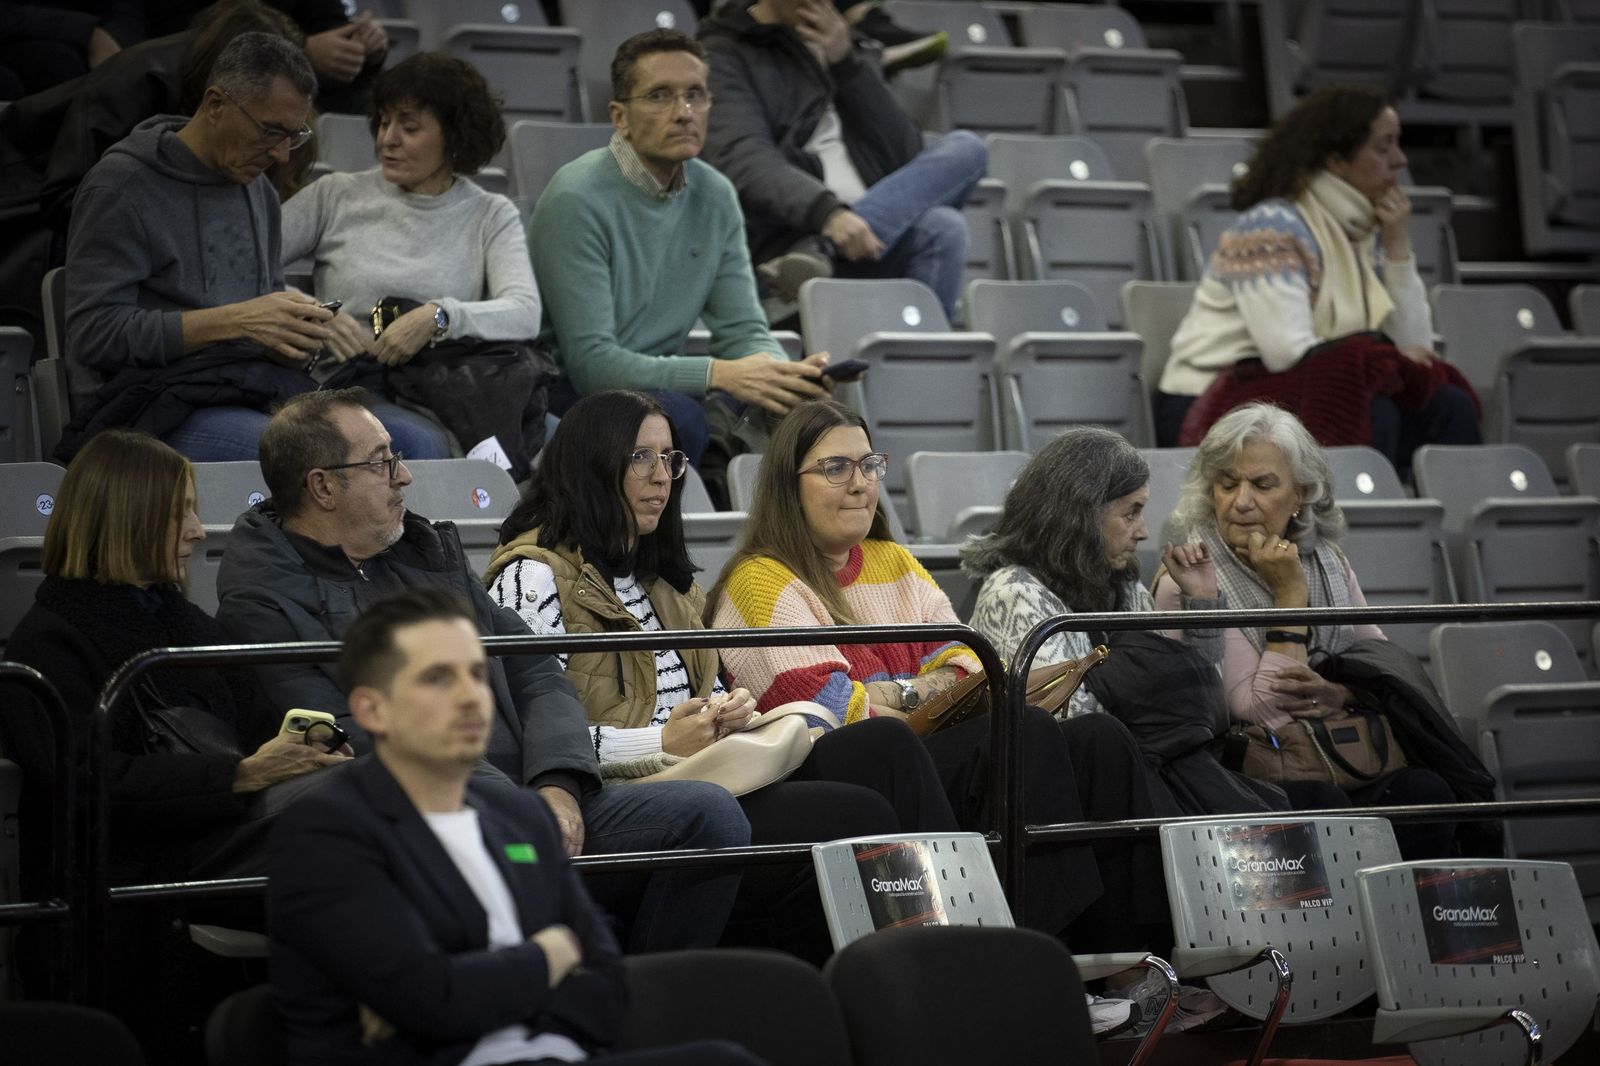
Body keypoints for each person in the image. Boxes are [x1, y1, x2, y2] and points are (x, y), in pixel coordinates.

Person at [214, 388, 750, 952]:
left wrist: (558, 783)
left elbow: (534, 671)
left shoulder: (425, 554)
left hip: (536, 796)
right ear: (323, 486)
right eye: (382, 462)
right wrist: (521, 806)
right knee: (515, 860)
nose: (404, 477)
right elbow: (353, 734)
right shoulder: (261, 602)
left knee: (711, 817)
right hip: (441, 821)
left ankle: (655, 997)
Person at [483, 390, 961, 956]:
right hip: (617, 791)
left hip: (705, 770)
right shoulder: (529, 580)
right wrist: (659, 740)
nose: (661, 476)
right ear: (590, 463)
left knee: (878, 748)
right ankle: (916, 968)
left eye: (670, 459)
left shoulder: (668, 581)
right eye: (640, 457)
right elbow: (529, 742)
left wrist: (730, 713)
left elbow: (704, 701)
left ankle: (943, 952)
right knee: (856, 812)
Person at [707, 399, 1172, 951]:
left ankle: (1135, 957)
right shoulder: (761, 580)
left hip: (921, 747)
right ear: (789, 485)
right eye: (836, 468)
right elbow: (834, 711)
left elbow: (973, 662)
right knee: (1024, 732)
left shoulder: (892, 561)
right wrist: (920, 688)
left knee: (1100, 740)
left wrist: (895, 691)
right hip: (844, 772)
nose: (859, 484)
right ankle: (1035, 956)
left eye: (868, 465)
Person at [269, 588, 763, 1066]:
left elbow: (607, 985)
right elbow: (433, 1000)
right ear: (371, 709)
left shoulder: (521, 817)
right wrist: (551, 955)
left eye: (477, 674)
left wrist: (471, 986)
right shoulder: (327, 833)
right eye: (438, 678)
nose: (470, 698)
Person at [59, 30, 449, 462]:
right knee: (314, 452)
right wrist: (237, 321)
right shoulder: (123, 186)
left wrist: (296, 332)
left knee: (420, 443)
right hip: (147, 404)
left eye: (294, 135)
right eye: (270, 131)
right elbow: (93, 334)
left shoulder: (257, 191)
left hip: (249, 385)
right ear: (215, 105)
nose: (282, 154)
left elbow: (260, 319)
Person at [4, 429, 348, 890]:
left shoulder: (186, 623)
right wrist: (239, 775)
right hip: (143, 872)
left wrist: (307, 748)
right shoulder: (48, 644)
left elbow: (259, 721)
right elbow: (90, 785)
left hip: (221, 836)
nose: (198, 530)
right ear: (125, 520)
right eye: (177, 513)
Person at [1158, 402, 1458, 856]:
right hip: (1247, 768)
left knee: (1427, 793)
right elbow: (1259, 707)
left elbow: (1384, 665)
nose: (1240, 501)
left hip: (1332, 751)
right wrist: (1289, 598)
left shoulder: (1328, 561)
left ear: (1299, 494)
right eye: (1227, 483)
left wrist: (1342, 694)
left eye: (1262, 485)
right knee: (1321, 807)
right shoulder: (1189, 576)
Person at [529, 28, 830, 470]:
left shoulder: (716, 193)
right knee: (679, 420)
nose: (683, 112)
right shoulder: (576, 197)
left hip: (660, 387)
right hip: (567, 392)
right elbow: (593, 365)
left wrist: (784, 377)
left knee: (818, 418)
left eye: (695, 95)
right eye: (659, 96)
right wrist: (721, 374)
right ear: (619, 117)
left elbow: (743, 327)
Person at [1155, 85, 1479, 467]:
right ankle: (1359, 523)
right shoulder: (1272, 228)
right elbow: (1286, 353)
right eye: (1383, 146)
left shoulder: (1360, 231)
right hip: (1208, 402)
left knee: (1449, 407)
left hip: (1300, 394)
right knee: (1373, 408)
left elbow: (1415, 349)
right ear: (1336, 160)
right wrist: (1386, 357)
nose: (1400, 160)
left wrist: (1397, 247)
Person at [281, 50, 547, 466]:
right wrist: (313, 313)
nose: (388, 139)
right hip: (349, 383)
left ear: (454, 137)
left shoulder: (489, 213)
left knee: (562, 436)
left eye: (409, 127)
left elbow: (524, 312)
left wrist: (440, 316)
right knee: (421, 443)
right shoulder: (335, 194)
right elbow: (246, 265)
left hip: (445, 383)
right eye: (384, 122)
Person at [699, 0, 986, 321]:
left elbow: (903, 157)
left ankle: (822, 251)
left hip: (862, 240)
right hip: (783, 247)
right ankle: (818, 252)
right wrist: (826, 213)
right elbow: (742, 155)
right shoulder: (725, 52)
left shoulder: (850, 45)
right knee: (943, 223)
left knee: (964, 157)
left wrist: (846, 64)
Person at [963, 427, 1224, 718]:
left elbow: (1204, 705)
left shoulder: (1126, 589)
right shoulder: (1013, 595)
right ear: (1082, 515)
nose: (1144, 531)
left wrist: (1202, 600)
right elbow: (1071, 722)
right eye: (1131, 512)